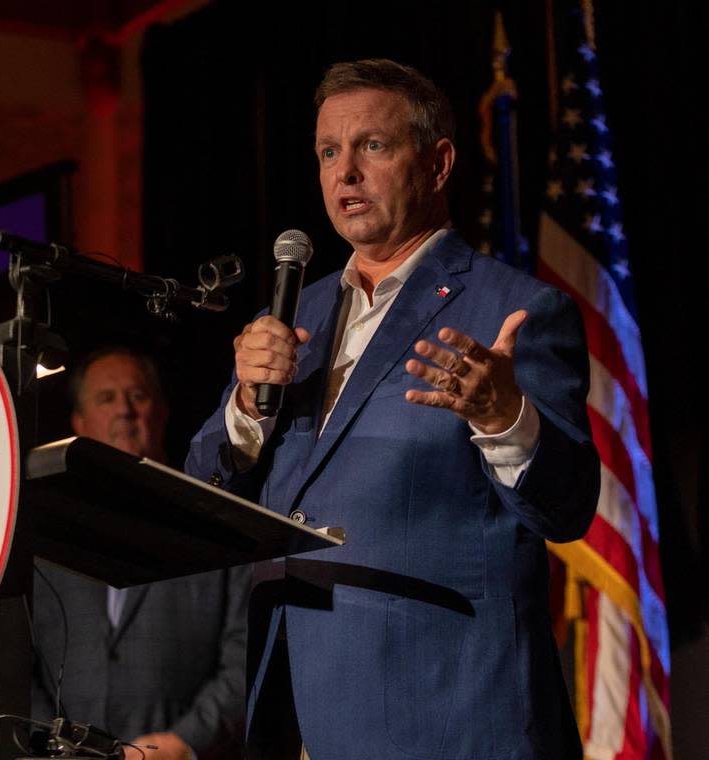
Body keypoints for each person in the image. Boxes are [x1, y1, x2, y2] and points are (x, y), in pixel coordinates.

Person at [186, 59, 599, 760]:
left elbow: (568, 506)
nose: (344, 172)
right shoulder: (289, 316)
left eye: (372, 146)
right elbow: (202, 490)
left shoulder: (513, 310)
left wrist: (505, 417)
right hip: (296, 716)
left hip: (449, 717)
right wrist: (246, 414)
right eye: (327, 152)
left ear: (438, 165)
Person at [32, 347, 249, 760]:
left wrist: (186, 742)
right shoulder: (48, 540)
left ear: (162, 411)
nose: (125, 411)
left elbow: (244, 651)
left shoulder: (216, 523)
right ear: (78, 423)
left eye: (138, 395)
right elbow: (20, 659)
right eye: (106, 398)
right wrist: (51, 746)